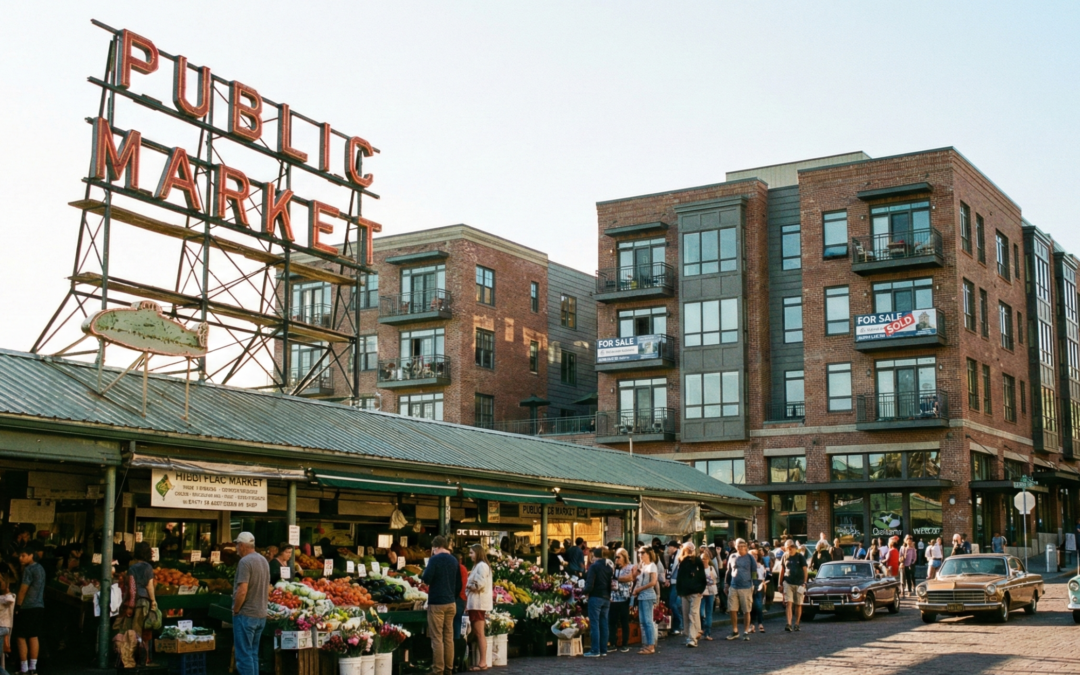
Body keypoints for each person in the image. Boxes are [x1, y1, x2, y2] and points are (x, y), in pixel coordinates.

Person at [421, 536, 462, 675]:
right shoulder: (454, 560)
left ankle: (438, 670)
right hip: (451, 603)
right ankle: (448, 669)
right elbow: (459, 584)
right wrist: (452, 597)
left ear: (436, 547)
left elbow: (426, 579)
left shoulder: (434, 559)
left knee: (437, 638)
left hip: (437, 603)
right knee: (448, 637)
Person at [232, 532, 269, 675]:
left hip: (246, 614)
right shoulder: (263, 560)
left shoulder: (245, 562)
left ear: (242, 546)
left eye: (237, 545)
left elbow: (242, 590)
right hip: (260, 614)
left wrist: (236, 610)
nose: (236, 548)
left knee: (243, 656)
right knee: (253, 653)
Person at [14, 548, 44, 675]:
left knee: (20, 636)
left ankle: (24, 668)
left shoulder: (29, 569)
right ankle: (33, 668)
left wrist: (18, 606)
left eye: (23, 555)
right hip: (39, 605)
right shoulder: (40, 568)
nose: (20, 558)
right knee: (33, 636)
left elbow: (23, 590)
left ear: (32, 555)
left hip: (27, 606)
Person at [127, 542, 158, 665]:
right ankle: (144, 659)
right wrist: (153, 601)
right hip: (144, 601)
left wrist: (130, 605)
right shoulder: (148, 567)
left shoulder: (132, 568)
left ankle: (136, 658)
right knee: (145, 631)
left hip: (135, 601)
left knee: (136, 631)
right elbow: (149, 586)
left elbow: (131, 588)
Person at [465, 544, 492, 671]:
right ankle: (482, 662)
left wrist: (468, 585)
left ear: (478, 553)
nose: (470, 555)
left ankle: (483, 662)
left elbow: (479, 584)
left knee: (479, 633)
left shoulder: (481, 566)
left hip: (478, 603)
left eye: (471, 553)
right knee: (477, 632)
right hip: (476, 603)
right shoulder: (479, 566)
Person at [582, 547, 613, 658]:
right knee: (604, 624)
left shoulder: (594, 567)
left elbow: (589, 584)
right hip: (606, 597)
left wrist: (583, 591)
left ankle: (595, 650)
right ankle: (603, 649)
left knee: (594, 624)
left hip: (595, 597)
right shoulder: (609, 567)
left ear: (595, 556)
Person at [673, 542, 704, 648]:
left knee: (693, 614)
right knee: (686, 614)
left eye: (692, 549)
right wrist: (679, 590)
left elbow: (702, 575)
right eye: (688, 549)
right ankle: (693, 633)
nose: (690, 551)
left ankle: (692, 638)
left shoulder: (697, 561)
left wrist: (701, 589)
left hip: (695, 592)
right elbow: (680, 577)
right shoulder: (681, 561)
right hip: (684, 592)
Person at [725, 538, 754, 641]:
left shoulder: (750, 558)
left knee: (746, 610)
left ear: (746, 547)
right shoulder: (732, 556)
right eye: (739, 546)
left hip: (746, 587)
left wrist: (753, 584)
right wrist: (726, 584)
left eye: (743, 546)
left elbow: (754, 572)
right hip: (733, 586)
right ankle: (735, 630)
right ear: (735, 546)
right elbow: (728, 571)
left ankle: (746, 631)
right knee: (732, 609)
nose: (741, 548)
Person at [633, 548, 659, 655]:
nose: (640, 555)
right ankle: (646, 643)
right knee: (643, 621)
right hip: (641, 596)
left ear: (648, 554)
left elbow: (653, 582)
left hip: (648, 595)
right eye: (639, 553)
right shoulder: (642, 566)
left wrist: (640, 589)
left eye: (642, 553)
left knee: (648, 621)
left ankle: (651, 645)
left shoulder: (652, 566)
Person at [609, 549, 634, 653]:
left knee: (624, 622)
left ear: (624, 557)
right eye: (615, 557)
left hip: (625, 598)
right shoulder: (614, 568)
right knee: (612, 622)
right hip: (614, 598)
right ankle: (613, 643)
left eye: (619, 557)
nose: (617, 559)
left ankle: (625, 643)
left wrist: (615, 578)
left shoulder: (630, 567)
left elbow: (629, 578)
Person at [781, 539, 808, 632]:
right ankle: (788, 624)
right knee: (789, 602)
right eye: (787, 548)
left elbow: (805, 570)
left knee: (798, 604)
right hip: (788, 582)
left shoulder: (800, 557)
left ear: (794, 547)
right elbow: (782, 569)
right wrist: (779, 583)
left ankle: (796, 623)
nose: (789, 549)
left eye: (791, 547)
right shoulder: (784, 556)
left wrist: (804, 582)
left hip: (799, 583)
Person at [748, 548, 769, 634]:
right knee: (751, 605)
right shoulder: (748, 566)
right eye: (753, 555)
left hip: (759, 584)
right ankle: (752, 625)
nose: (755, 557)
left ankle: (760, 623)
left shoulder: (760, 566)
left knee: (758, 605)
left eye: (756, 555)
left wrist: (763, 586)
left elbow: (763, 578)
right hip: (750, 584)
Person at [664, 541, 682, 636]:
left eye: (669, 547)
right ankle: (677, 626)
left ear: (673, 547)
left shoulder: (678, 556)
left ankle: (679, 625)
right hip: (673, 583)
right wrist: (667, 579)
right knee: (675, 604)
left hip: (677, 583)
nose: (668, 549)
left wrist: (670, 579)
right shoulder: (672, 556)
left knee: (673, 604)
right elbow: (670, 569)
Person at [699, 548, 717, 641]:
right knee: (701, 612)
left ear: (708, 560)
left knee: (709, 612)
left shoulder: (711, 568)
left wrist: (708, 579)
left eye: (705, 559)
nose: (703, 560)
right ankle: (701, 629)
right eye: (702, 559)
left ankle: (707, 633)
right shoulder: (698, 569)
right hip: (701, 592)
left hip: (710, 592)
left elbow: (713, 580)